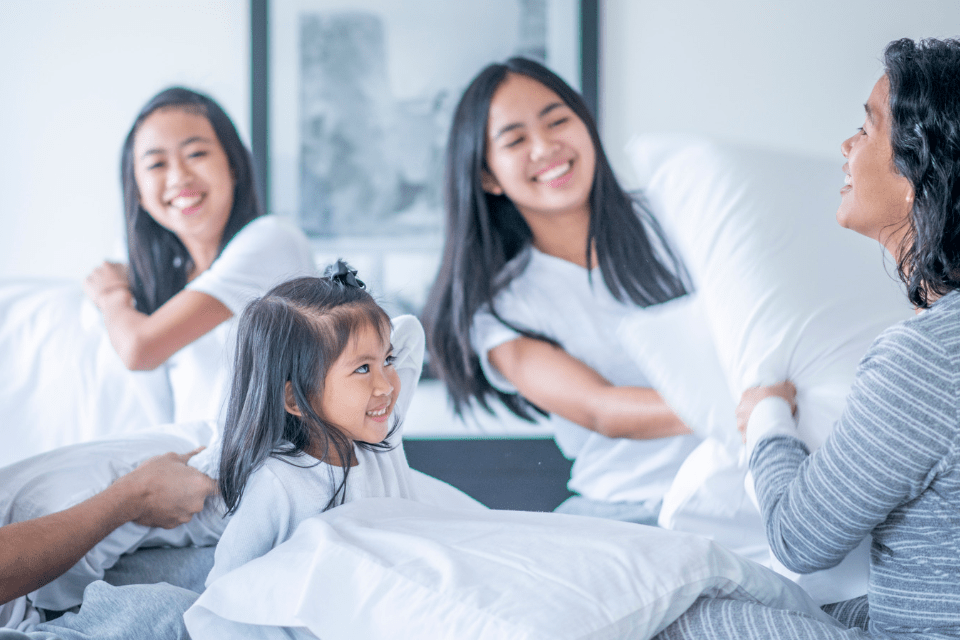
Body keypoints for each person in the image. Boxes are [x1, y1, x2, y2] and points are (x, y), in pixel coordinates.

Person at [657, 37, 960, 639]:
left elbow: (800, 536)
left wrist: (767, 417)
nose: (847, 147)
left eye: (866, 129)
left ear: (914, 174)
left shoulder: (927, 358)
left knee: (673, 610)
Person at [422, 58, 700, 524]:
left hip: (749, 486)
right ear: (488, 176)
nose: (546, 146)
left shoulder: (674, 214)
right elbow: (601, 409)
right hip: (630, 514)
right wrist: (741, 408)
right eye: (515, 140)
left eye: (557, 121)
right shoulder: (499, 310)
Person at [83, 86, 316, 425]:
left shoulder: (273, 241)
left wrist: (110, 293)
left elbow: (138, 350)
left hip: (268, 464)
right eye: (157, 163)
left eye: (196, 154)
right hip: (193, 461)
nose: (179, 177)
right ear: (139, 193)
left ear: (233, 166)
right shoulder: (161, 274)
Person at [205, 264, 426, 585]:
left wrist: (357, 315)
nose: (387, 386)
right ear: (296, 399)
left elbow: (410, 334)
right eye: (363, 368)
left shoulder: (381, 447)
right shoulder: (278, 484)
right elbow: (224, 589)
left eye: (388, 361)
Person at [0, 448, 216, 638]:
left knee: (215, 575)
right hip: (26, 600)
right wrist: (135, 495)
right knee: (173, 615)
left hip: (27, 598)